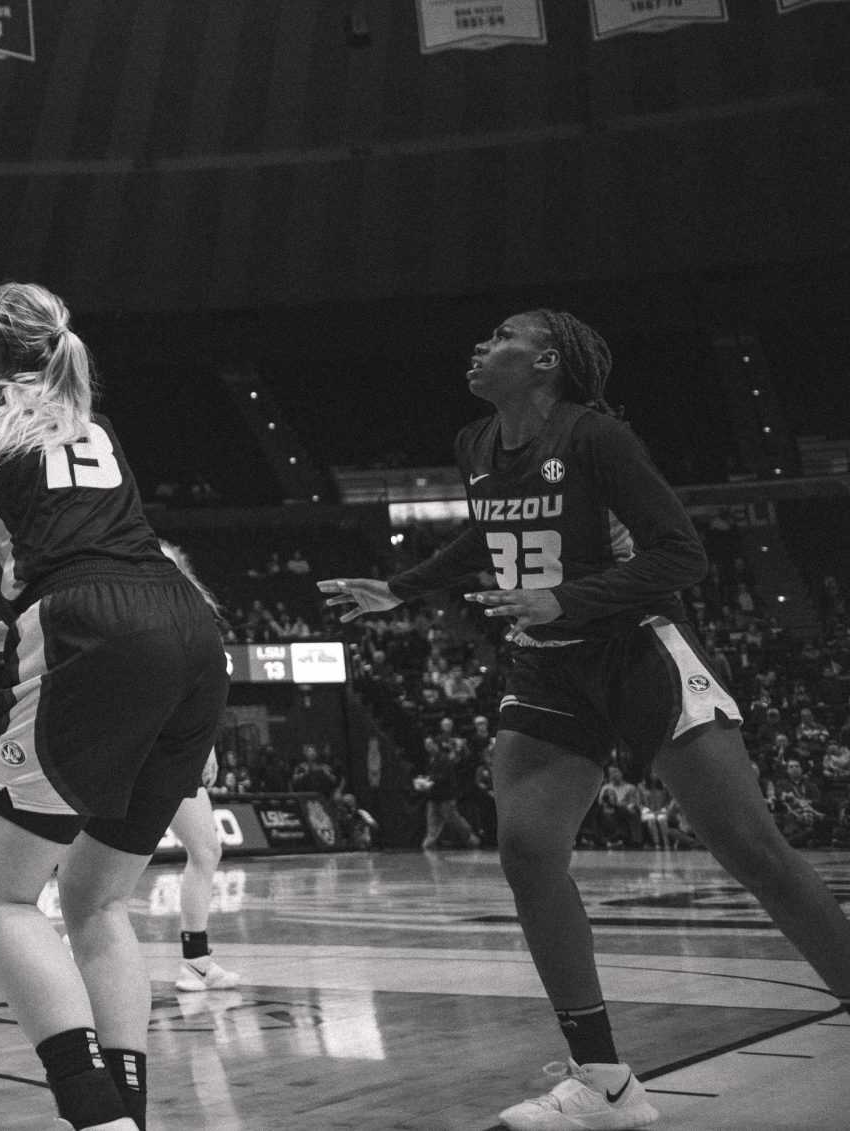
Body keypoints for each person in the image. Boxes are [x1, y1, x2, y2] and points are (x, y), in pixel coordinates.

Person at [322, 309, 850, 1131]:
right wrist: (401, 588)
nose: (479, 344)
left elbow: (683, 554)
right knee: (527, 849)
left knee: (756, 853)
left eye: (500, 336)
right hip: (549, 663)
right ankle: (604, 1081)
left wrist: (563, 597)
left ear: (547, 361)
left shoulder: (598, 438)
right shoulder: (474, 445)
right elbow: (485, 537)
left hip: (639, 648)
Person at [0, 283, 227, 1131]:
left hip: (93, 632)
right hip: (188, 625)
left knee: (1, 899)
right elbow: (102, 551)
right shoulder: (87, 424)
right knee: (96, 901)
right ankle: (126, 1113)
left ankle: (95, 1119)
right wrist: (4, 628)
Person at [168, 750, 241, 991]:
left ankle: (196, 960)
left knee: (206, 851)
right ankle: (80, 943)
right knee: (123, 857)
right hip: (139, 745)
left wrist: (207, 747)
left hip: (176, 752)